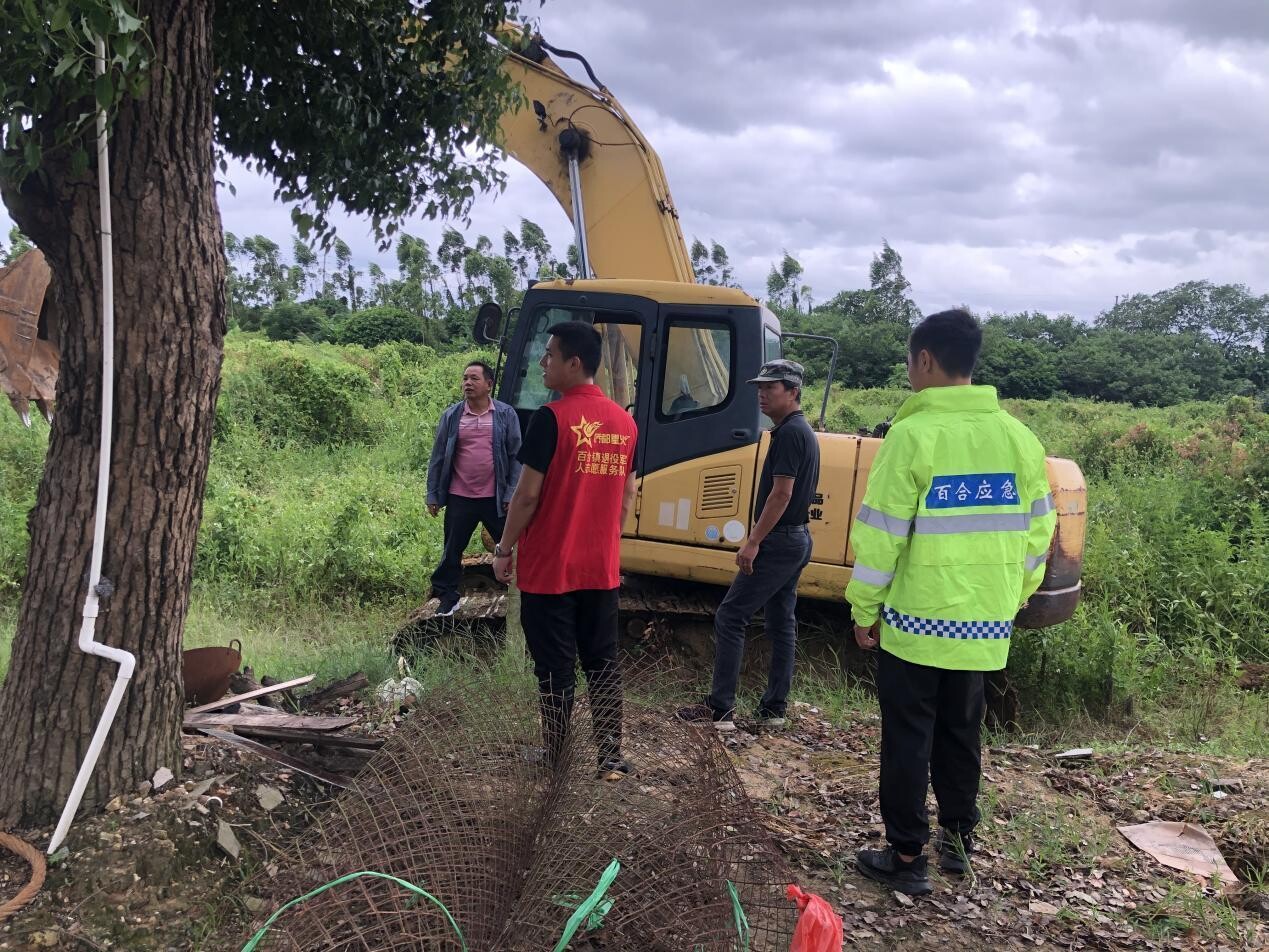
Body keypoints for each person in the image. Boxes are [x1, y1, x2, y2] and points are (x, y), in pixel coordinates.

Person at [847, 309, 1056, 896]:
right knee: (963, 734)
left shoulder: (912, 436)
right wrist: (1008, 600)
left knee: (909, 735)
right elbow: (1040, 535)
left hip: (917, 624)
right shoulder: (1019, 438)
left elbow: (880, 537)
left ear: (925, 360)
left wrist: (866, 609)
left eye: (911, 362)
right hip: (983, 629)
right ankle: (958, 843)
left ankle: (908, 856)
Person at [492, 321, 638, 780]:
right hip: (600, 568)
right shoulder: (626, 423)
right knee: (603, 662)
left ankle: (555, 757)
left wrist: (504, 547)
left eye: (550, 355)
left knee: (554, 668)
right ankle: (610, 757)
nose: (543, 363)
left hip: (551, 568)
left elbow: (528, 496)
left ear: (574, 363)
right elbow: (628, 496)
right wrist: (605, 542)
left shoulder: (550, 419)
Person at [676, 358, 820, 731]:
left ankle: (720, 709)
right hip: (798, 539)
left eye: (770, 388)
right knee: (780, 622)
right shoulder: (801, 430)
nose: (762, 394)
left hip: (778, 540)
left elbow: (782, 494)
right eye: (759, 387)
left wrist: (753, 541)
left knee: (731, 615)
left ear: (792, 392)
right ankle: (774, 709)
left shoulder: (789, 434)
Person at [425, 360, 522, 617]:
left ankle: (523, 594)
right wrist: (433, 494)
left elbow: (516, 456)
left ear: (489, 385)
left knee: (513, 546)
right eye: (465, 378)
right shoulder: (452, 416)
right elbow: (437, 458)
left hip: (496, 497)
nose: (467, 383)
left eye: (474, 379)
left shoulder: (504, 414)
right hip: (460, 496)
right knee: (452, 550)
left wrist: (511, 493)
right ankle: (447, 597)